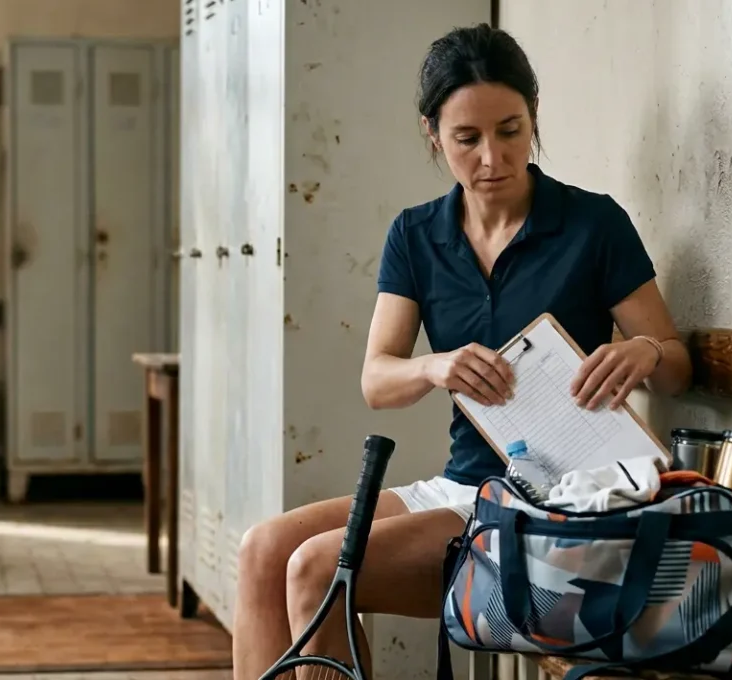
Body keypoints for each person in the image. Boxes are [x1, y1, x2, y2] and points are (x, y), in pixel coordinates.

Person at [231, 23, 694, 679]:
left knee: (314, 566)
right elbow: (377, 380)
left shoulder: (594, 225)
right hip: (461, 485)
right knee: (261, 551)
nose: (492, 158)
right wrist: (433, 366)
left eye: (510, 130)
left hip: (554, 502)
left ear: (533, 115)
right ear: (432, 133)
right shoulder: (416, 235)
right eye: (466, 138)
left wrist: (646, 350)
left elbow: (677, 366)